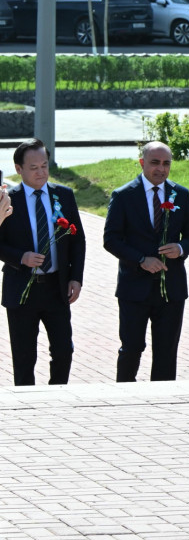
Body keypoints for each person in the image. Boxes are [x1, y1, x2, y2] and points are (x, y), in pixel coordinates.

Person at [102, 142, 189, 382]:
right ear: (142, 163)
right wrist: (140, 260)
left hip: (171, 288)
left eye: (166, 163)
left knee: (167, 351)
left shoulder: (181, 194)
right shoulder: (124, 196)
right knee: (132, 348)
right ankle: (124, 394)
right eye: (155, 162)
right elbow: (111, 239)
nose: (161, 169)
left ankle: (163, 401)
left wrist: (180, 248)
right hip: (134, 288)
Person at [0, 139, 85, 385]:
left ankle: (57, 395)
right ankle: (27, 404)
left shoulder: (64, 196)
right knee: (24, 356)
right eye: (34, 168)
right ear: (19, 169)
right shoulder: (8, 200)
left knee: (63, 350)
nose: (41, 172)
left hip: (55, 288)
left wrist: (75, 278)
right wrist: (20, 257)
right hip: (22, 288)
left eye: (45, 166)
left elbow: (77, 239)